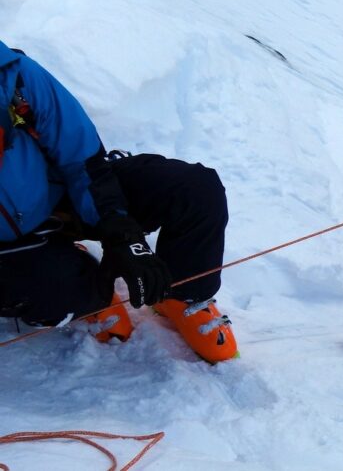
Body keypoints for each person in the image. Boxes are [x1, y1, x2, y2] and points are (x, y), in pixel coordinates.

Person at [0, 40, 237, 363]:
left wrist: (118, 228)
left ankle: (184, 294)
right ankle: (80, 285)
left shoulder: (14, 74)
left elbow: (80, 155)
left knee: (194, 190)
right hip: (9, 244)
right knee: (61, 291)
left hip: (60, 194)